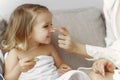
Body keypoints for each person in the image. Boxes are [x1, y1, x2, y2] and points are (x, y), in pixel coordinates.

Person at [2, 3, 91, 80]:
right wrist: (19, 68)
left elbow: (60, 64)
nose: (52, 29)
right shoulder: (15, 53)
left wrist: (63, 68)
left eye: (51, 25)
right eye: (45, 26)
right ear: (27, 32)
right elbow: (7, 78)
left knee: (76, 74)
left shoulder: (49, 48)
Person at [56, 0, 120, 79]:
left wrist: (77, 48)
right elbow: (113, 44)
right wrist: (106, 60)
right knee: (96, 76)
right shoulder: (110, 3)